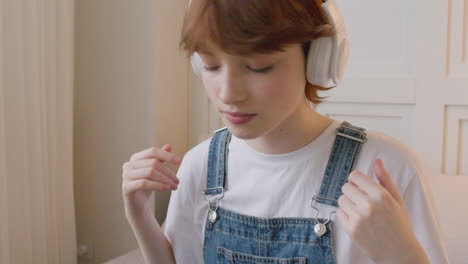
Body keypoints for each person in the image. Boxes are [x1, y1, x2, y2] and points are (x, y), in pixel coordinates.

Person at [122, 0, 450, 263]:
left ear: (318, 60)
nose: (227, 94)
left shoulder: (387, 169)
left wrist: (402, 255)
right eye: (211, 66)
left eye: (258, 67)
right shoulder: (200, 166)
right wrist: (139, 214)